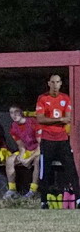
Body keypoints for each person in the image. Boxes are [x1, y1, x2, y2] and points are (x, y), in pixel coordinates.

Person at [35, 74, 79, 209]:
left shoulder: (65, 98)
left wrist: (60, 120)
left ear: (61, 84)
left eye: (58, 82)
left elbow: (68, 118)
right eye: (53, 82)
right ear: (49, 83)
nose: (55, 85)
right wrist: (59, 120)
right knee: (45, 171)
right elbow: (41, 119)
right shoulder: (42, 98)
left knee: (71, 169)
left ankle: (78, 199)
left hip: (62, 140)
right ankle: (44, 201)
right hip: (47, 140)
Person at [3, 105, 40, 199]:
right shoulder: (13, 127)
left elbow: (41, 145)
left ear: (22, 112)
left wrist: (29, 159)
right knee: (10, 160)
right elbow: (21, 145)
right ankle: (12, 190)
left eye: (16, 112)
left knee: (38, 160)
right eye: (11, 113)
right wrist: (22, 155)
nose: (14, 115)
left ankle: (33, 190)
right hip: (28, 150)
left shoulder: (33, 122)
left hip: (38, 150)